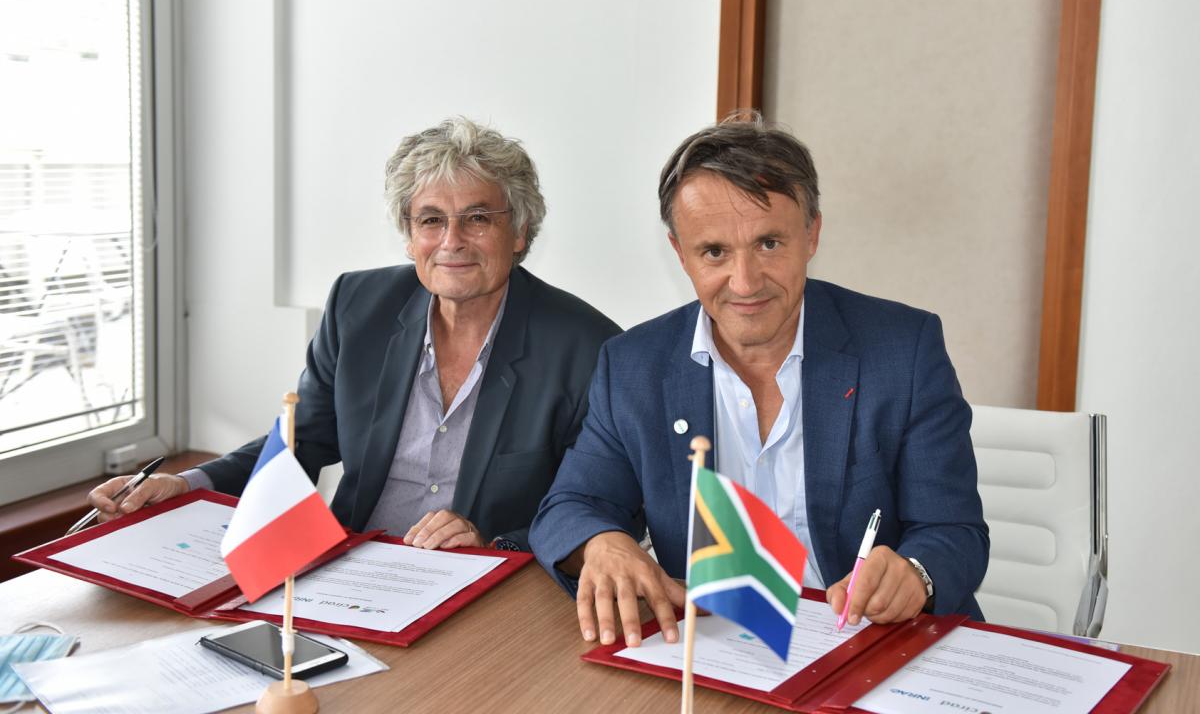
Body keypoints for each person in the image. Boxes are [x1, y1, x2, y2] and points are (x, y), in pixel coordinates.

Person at [529, 113, 988, 648]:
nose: (744, 283)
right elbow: (568, 506)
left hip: (872, 642)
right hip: (719, 651)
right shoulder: (634, 365)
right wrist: (603, 542)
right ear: (681, 254)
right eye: (715, 252)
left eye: (769, 243)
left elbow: (955, 531)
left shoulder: (903, 350)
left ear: (812, 233)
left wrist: (916, 574)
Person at [88, 117, 621, 551]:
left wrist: (496, 542)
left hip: (484, 592)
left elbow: (600, 506)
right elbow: (304, 439)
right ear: (409, 237)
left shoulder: (588, 347)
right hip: (351, 565)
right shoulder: (357, 306)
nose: (451, 241)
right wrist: (188, 485)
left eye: (477, 218)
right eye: (430, 220)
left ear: (521, 232)